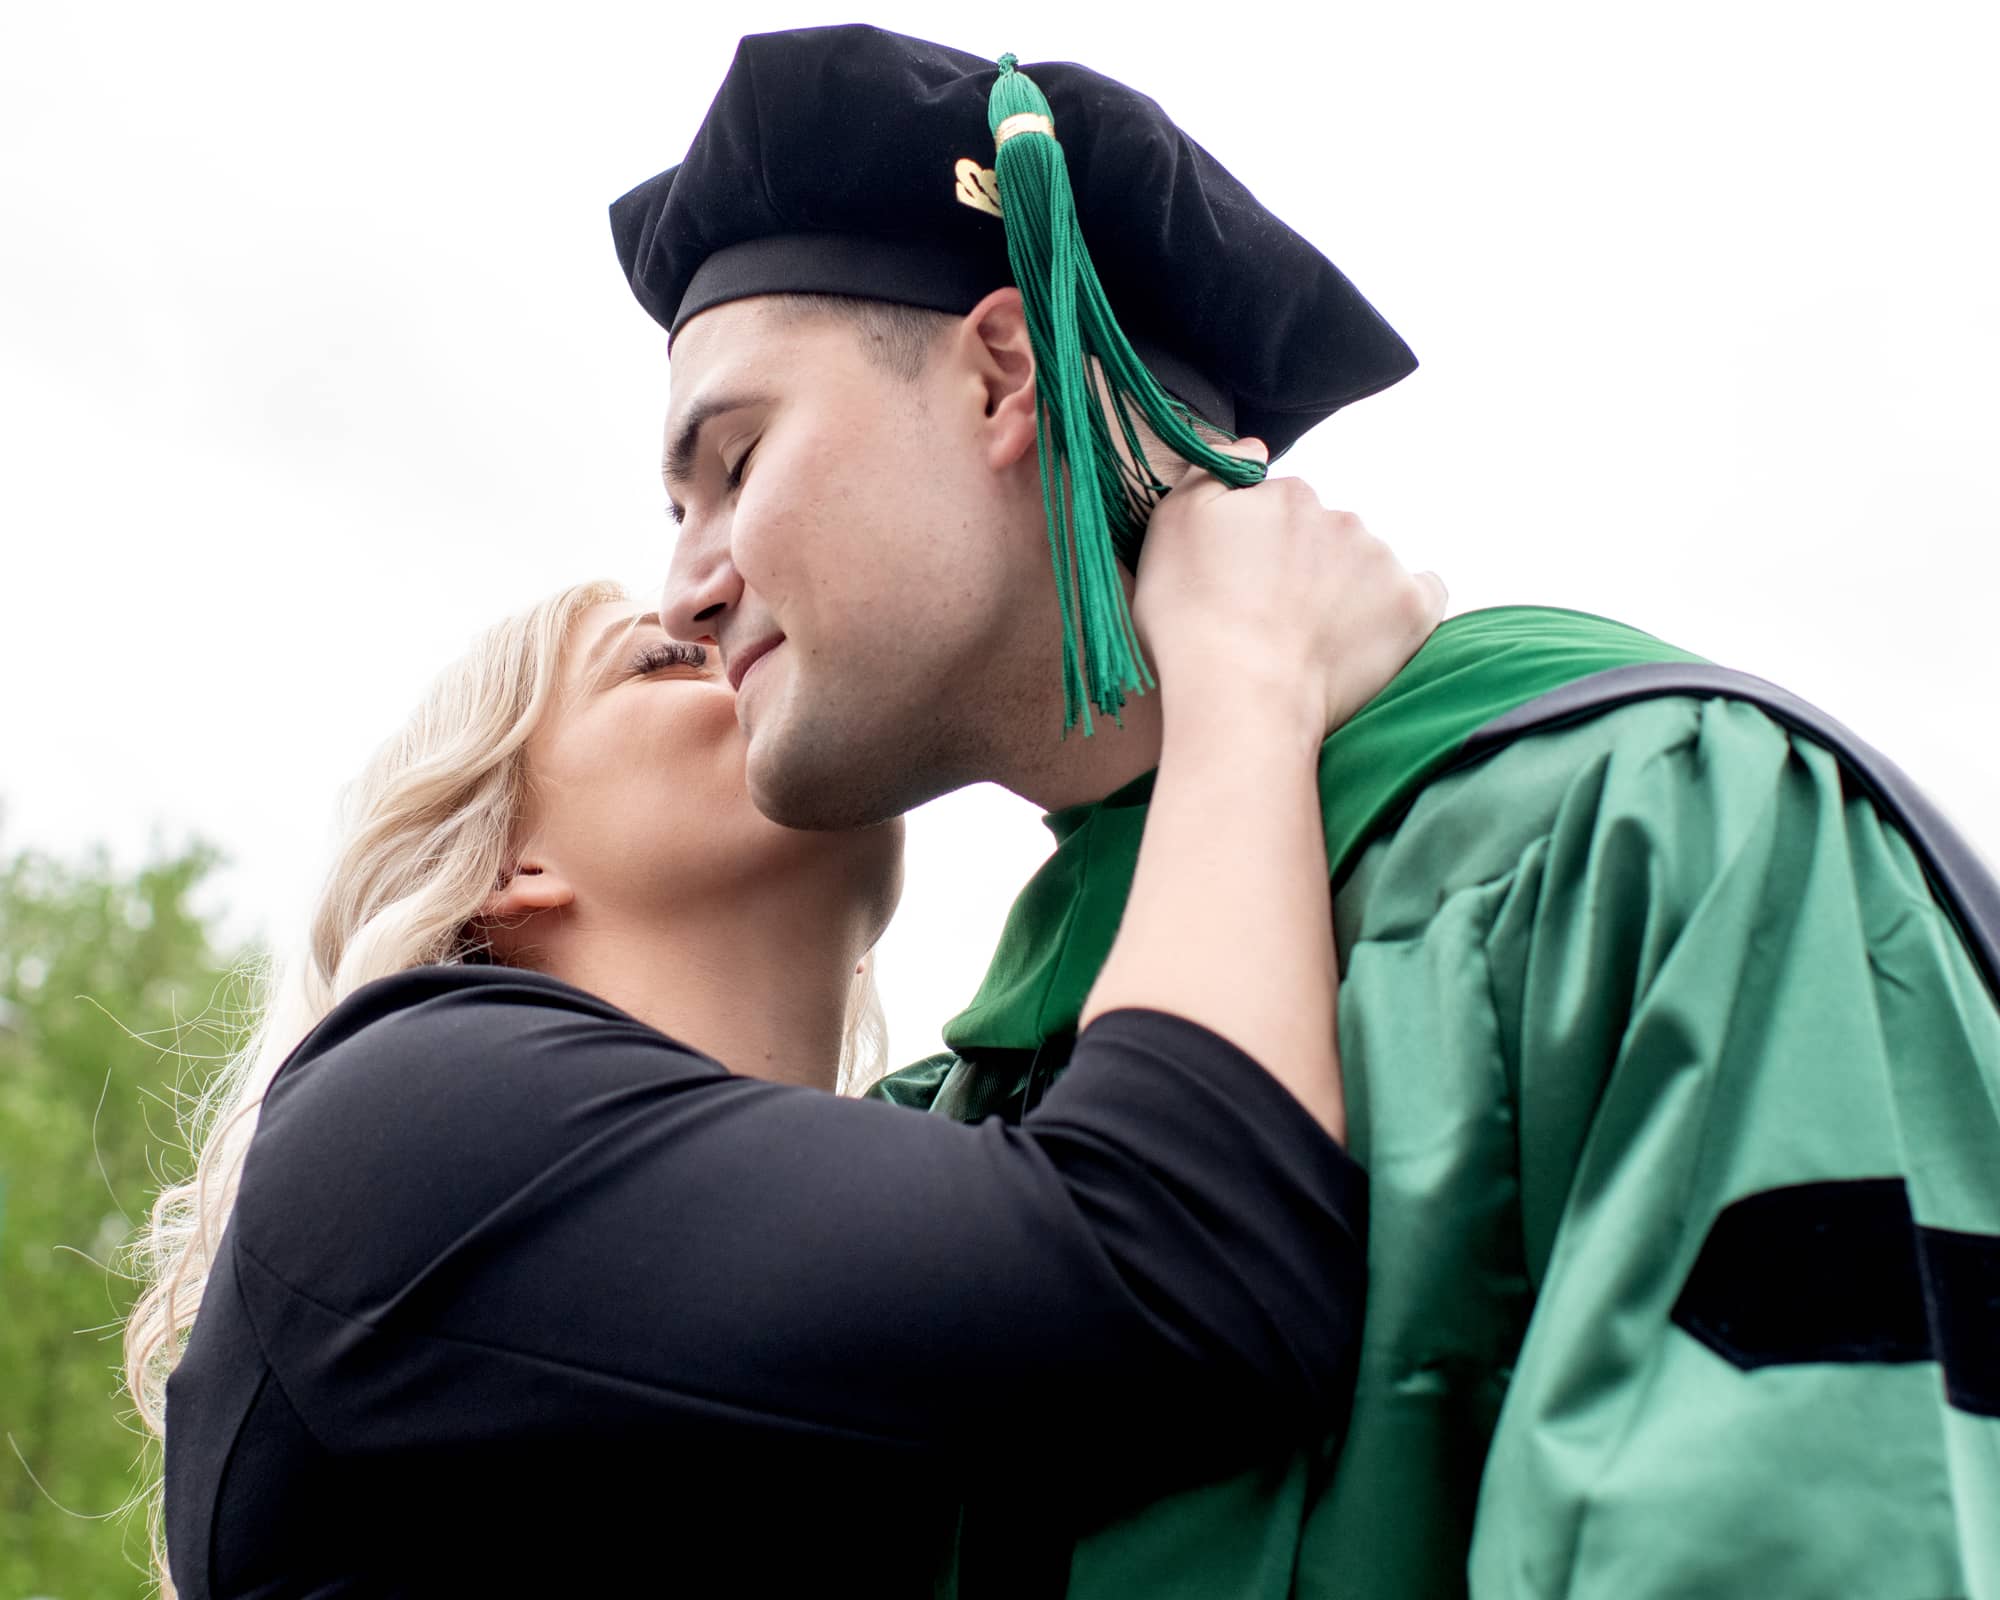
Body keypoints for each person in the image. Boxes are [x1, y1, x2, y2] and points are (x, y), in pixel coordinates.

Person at [617, 23, 2000, 1598]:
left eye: (730, 463)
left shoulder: (1648, 826)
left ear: (1006, 373)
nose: (686, 587)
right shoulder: (965, 1109)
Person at [127, 464, 1447, 1597]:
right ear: (508, 868)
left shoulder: (908, 1165)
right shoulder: (408, 1115)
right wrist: (1249, 665)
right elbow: (1185, 1255)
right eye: (660, 660)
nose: (727, 637)